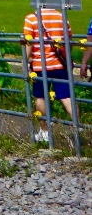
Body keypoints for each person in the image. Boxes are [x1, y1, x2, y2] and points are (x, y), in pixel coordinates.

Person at [23, 8, 69, 143]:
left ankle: (45, 132)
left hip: (39, 65)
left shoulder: (31, 18)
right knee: (67, 96)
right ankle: (80, 128)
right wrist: (66, 58)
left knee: (40, 97)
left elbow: (28, 43)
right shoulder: (61, 16)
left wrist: (24, 62)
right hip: (60, 64)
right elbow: (68, 39)